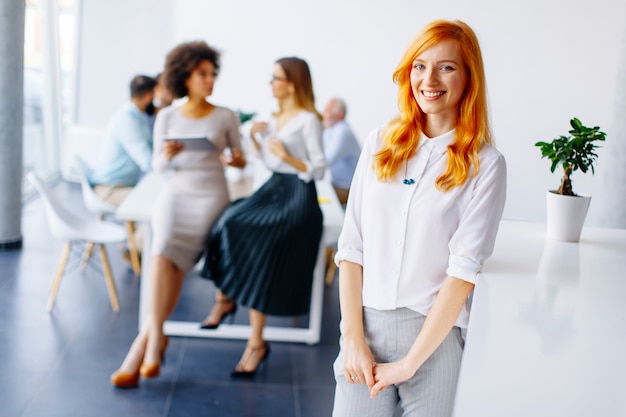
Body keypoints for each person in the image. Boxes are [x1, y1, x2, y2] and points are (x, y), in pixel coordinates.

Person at [331, 20, 507, 417]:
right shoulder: (380, 142)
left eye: (446, 67)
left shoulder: (486, 165)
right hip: (365, 329)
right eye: (419, 66)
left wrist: (410, 362)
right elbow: (351, 248)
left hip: (434, 342)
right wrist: (352, 337)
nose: (429, 79)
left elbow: (462, 273)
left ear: (468, 78)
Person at [110, 40, 246, 388]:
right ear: (185, 76)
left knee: (177, 265)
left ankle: (145, 345)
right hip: (177, 191)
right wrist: (168, 154)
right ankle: (155, 339)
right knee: (161, 253)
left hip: (211, 194)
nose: (209, 80)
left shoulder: (225, 115)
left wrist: (233, 159)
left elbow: (240, 158)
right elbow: (157, 166)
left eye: (212, 73)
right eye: (202, 74)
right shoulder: (167, 115)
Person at [199, 57, 326, 378]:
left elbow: (319, 169)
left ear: (292, 84)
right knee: (229, 218)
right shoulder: (274, 117)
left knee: (260, 244)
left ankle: (255, 341)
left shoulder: (308, 119)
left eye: (276, 78)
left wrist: (289, 157)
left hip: (298, 196)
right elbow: (268, 162)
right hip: (273, 188)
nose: (270, 83)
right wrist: (256, 141)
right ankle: (224, 297)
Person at [90, 75, 157, 206]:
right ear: (149, 96)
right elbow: (147, 162)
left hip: (121, 185)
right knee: (153, 203)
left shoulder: (135, 115)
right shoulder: (128, 121)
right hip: (110, 189)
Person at [322, 98, 361, 207]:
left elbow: (326, 161)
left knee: (311, 193)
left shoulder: (343, 131)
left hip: (347, 189)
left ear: (339, 115)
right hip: (336, 185)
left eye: (327, 111)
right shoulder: (330, 130)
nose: (323, 114)